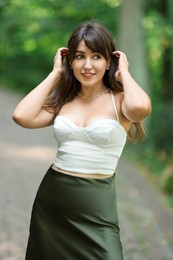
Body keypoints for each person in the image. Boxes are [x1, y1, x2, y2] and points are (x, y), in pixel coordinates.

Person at [13, 20, 151, 260]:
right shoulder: (64, 100)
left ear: (110, 61)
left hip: (98, 209)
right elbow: (21, 116)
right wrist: (55, 73)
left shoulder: (120, 101)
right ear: (71, 62)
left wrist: (125, 73)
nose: (87, 65)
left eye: (96, 56)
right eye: (79, 56)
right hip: (52, 204)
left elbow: (140, 108)